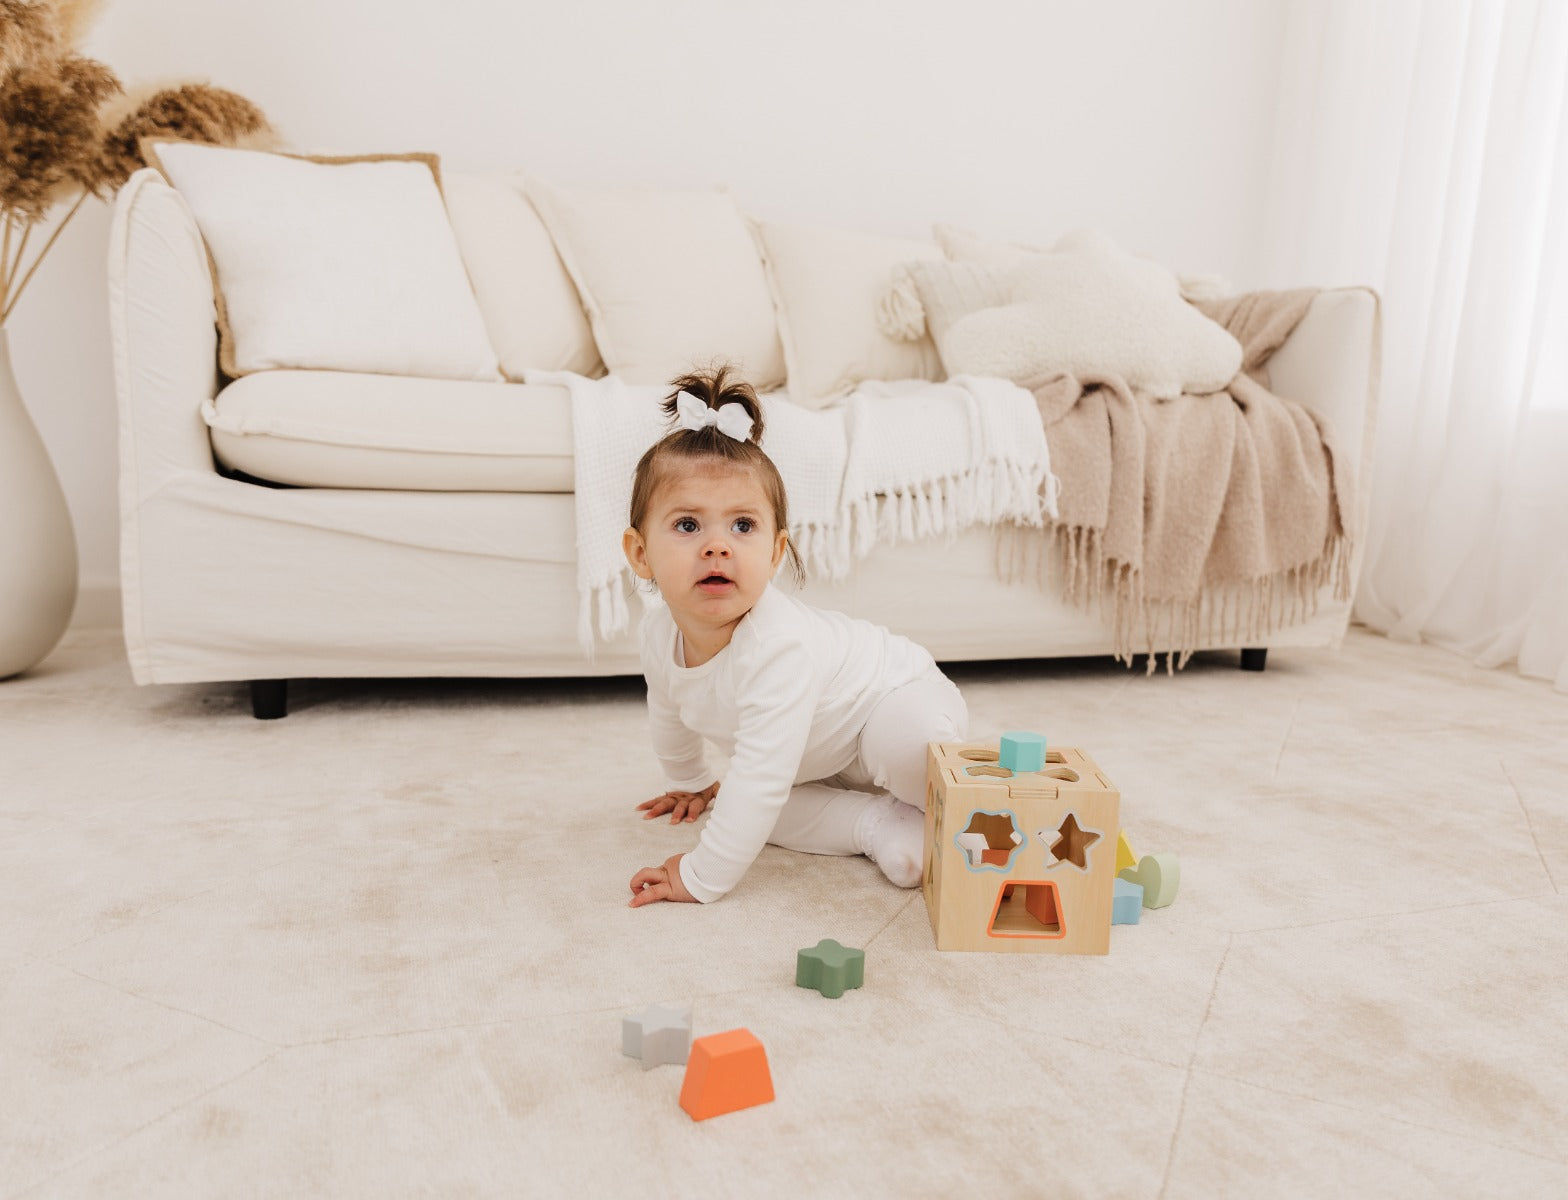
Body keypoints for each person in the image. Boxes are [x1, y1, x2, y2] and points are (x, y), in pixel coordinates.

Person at [623, 364, 969, 907]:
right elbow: (668, 710)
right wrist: (690, 782)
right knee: (746, 805)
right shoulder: (658, 633)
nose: (718, 546)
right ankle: (876, 825)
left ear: (776, 553)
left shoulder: (776, 642)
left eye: (743, 526)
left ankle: (955, 805)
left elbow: (763, 770)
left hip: (889, 697)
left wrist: (701, 874)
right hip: (815, 759)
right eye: (688, 526)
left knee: (905, 746)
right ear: (640, 554)